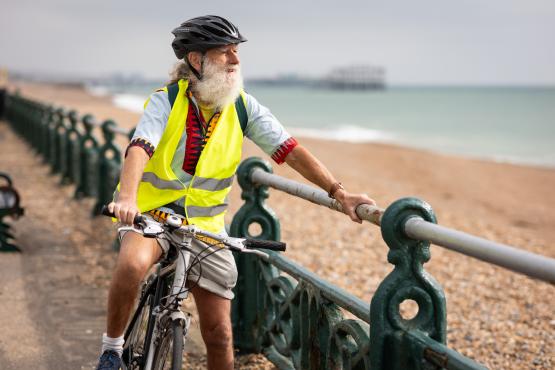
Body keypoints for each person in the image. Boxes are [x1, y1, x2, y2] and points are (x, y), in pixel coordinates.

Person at [95, 15, 375, 370]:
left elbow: (290, 151)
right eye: (225, 52)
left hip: (205, 226)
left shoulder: (243, 107)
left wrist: (339, 192)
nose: (236, 60)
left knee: (220, 335)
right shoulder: (164, 101)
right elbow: (139, 147)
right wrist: (128, 199)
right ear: (196, 61)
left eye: (236, 52)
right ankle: (112, 348)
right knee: (132, 265)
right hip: (151, 214)